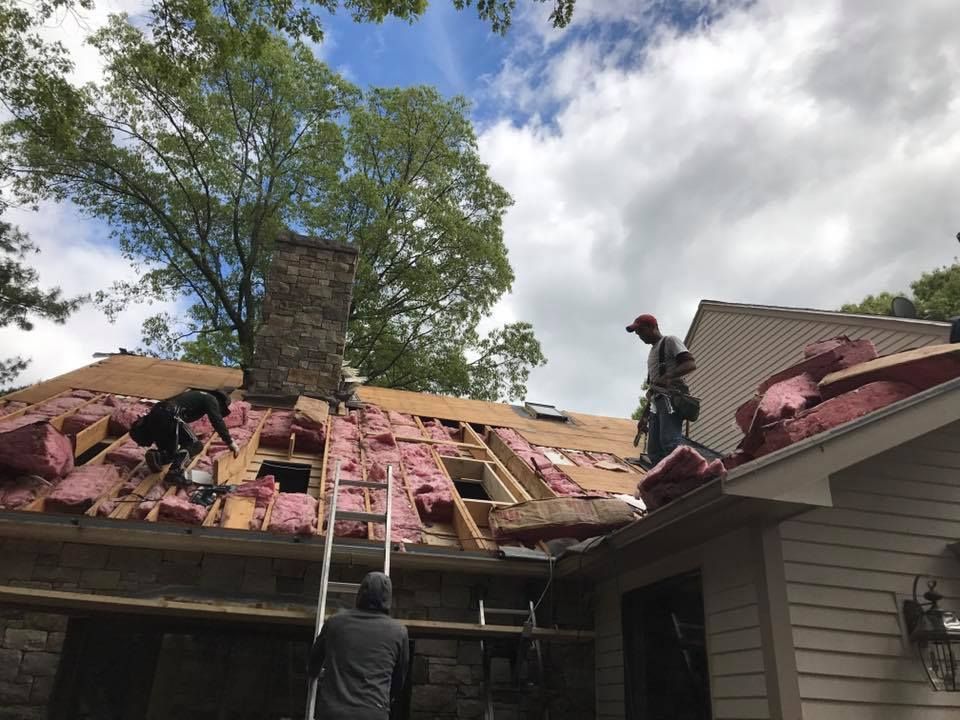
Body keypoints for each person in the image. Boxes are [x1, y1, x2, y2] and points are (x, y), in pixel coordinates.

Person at [308, 572, 409, 720]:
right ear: (388, 598)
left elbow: (313, 662)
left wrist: (318, 675)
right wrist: (384, 700)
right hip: (372, 712)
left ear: (360, 593)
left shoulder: (335, 623)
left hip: (334, 712)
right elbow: (399, 679)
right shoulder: (399, 632)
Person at [626, 314, 697, 464]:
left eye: (641, 331)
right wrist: (645, 416)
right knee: (654, 451)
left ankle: (684, 473)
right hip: (657, 401)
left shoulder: (670, 341)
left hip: (670, 399)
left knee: (670, 441)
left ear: (653, 328)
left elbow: (690, 364)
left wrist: (668, 376)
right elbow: (653, 388)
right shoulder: (653, 352)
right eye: (637, 333)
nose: (639, 336)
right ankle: (662, 481)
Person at [134, 388, 240, 484]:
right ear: (220, 402)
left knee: (173, 453)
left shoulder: (193, 394)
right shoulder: (211, 398)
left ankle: (158, 457)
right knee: (195, 444)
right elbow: (217, 421)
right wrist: (230, 442)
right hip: (171, 414)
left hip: (157, 415)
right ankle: (174, 473)